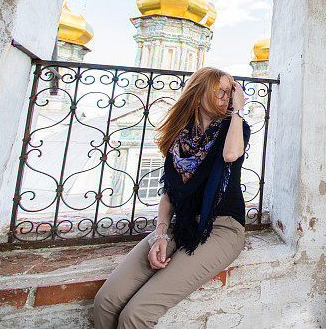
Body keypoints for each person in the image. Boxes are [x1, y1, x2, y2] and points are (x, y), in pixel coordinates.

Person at [93, 67, 250, 328]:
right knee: (106, 301)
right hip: (183, 223)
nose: (226, 97)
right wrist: (161, 234)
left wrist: (237, 110)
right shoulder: (181, 137)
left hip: (222, 229)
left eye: (230, 92)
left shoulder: (235, 127)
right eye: (221, 91)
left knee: (136, 315)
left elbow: (231, 155)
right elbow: (169, 193)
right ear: (200, 92)